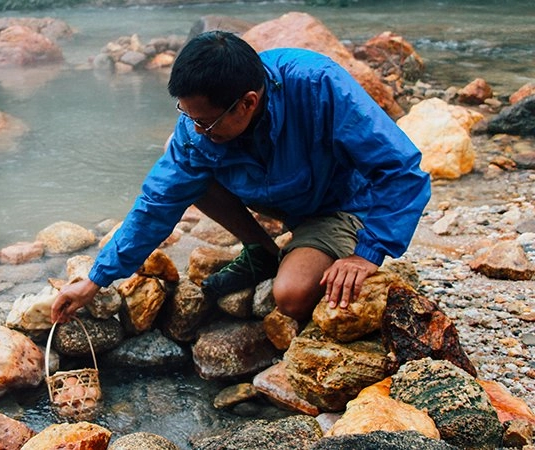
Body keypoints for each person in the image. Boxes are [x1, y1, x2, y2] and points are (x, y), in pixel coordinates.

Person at [51, 31, 431, 325]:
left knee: (291, 295)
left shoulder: (318, 85)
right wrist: (96, 279)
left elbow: (400, 171)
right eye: (188, 116)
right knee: (183, 162)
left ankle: (303, 248)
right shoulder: (198, 128)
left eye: (205, 121)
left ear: (247, 102)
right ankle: (264, 252)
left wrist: (367, 254)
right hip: (278, 191)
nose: (197, 129)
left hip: (337, 204)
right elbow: (156, 204)